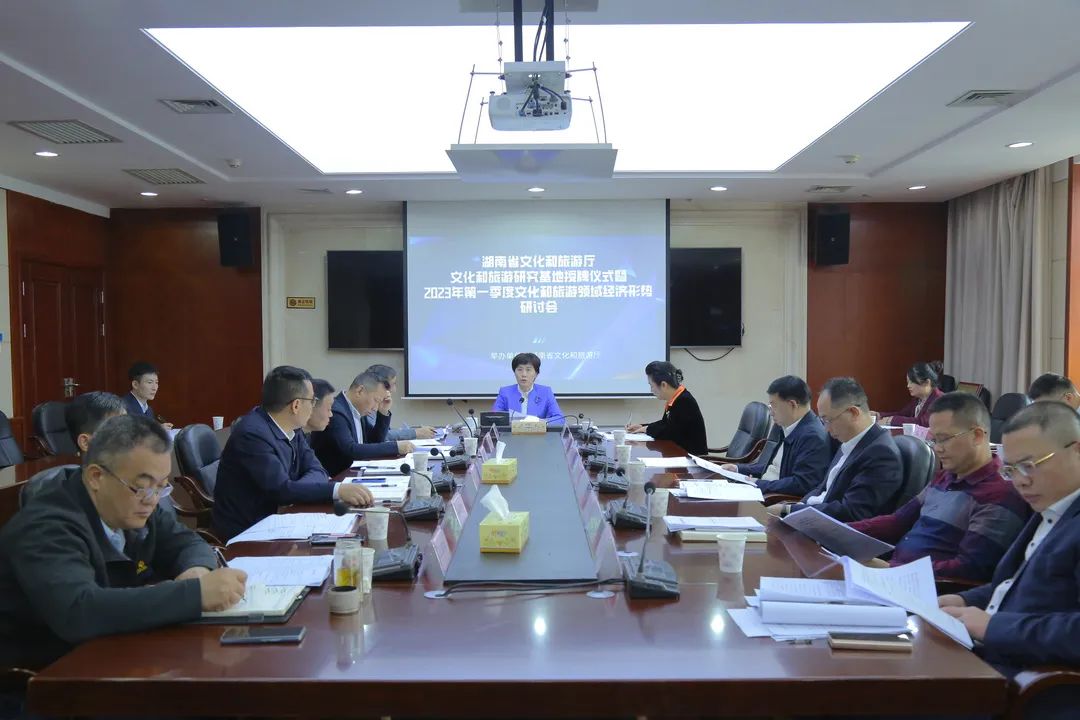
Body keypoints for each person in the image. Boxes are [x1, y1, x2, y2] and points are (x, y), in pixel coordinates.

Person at [0, 414, 247, 672]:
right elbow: (79, 611)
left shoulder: (135, 504)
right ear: (96, 477)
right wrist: (194, 595)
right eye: (142, 487)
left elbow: (186, 541)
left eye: (161, 487)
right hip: (45, 675)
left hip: (115, 650)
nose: (152, 499)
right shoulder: (45, 526)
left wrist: (196, 570)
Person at [939, 401, 1080, 720]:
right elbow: (1014, 586)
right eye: (1010, 470)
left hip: (1026, 688)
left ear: (1077, 451)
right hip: (985, 661)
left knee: (860, 701)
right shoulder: (1052, 508)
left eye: (1029, 465)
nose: (1020, 481)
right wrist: (963, 599)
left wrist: (993, 627)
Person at [850, 392, 1028, 582]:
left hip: (931, 589)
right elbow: (899, 521)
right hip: (895, 576)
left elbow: (970, 570)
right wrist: (840, 532)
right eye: (934, 440)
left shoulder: (998, 494)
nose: (937, 448)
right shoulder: (945, 477)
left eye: (944, 439)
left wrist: (891, 570)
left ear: (976, 435)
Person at [213, 366, 373, 541]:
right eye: (312, 401)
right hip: (248, 531)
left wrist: (295, 490)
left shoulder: (292, 428)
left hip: (280, 519)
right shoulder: (252, 435)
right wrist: (336, 490)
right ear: (296, 405)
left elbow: (317, 470)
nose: (313, 407)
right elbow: (282, 491)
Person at [771, 377, 903, 522]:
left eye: (828, 420)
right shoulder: (848, 440)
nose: (826, 429)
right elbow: (821, 489)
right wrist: (796, 507)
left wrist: (789, 510)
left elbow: (851, 512)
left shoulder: (880, 454)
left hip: (833, 529)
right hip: (814, 518)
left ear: (853, 413)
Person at [723, 375, 831, 497]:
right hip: (764, 490)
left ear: (792, 404)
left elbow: (802, 484)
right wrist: (738, 469)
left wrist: (758, 484)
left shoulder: (812, 437)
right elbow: (775, 468)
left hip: (772, 498)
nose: (771, 412)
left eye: (773, 406)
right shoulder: (788, 427)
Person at [20, 391, 126, 507]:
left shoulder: (131, 481)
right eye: (117, 431)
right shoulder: (60, 503)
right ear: (85, 443)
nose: (128, 438)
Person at [311, 371, 416, 477]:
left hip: (355, 475)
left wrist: (383, 412)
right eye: (376, 400)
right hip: (337, 477)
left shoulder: (357, 411)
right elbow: (351, 449)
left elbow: (374, 441)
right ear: (360, 391)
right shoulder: (337, 412)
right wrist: (395, 447)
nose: (375, 408)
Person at [627, 361, 707, 455]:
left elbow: (669, 433)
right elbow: (665, 424)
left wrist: (647, 429)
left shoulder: (684, 401)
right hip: (678, 454)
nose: (651, 390)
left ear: (664, 385)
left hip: (692, 458)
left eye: (651, 386)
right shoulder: (676, 398)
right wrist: (642, 426)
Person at [363, 364, 436, 440]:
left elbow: (382, 433)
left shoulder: (379, 405)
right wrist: (415, 433)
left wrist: (416, 431)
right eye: (393, 384)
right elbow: (379, 437)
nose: (394, 390)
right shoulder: (367, 407)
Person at [492, 352, 563, 420]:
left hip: (537, 428)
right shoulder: (505, 392)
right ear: (514, 372)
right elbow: (494, 418)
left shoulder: (545, 392)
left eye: (528, 370)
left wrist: (541, 422)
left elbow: (559, 419)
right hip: (512, 429)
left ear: (536, 374)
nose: (524, 374)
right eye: (520, 370)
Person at [879, 361, 944, 428]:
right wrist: (879, 415)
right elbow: (902, 414)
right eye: (908, 382)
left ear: (927, 382)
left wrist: (892, 420)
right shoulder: (918, 399)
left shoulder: (940, 400)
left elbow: (923, 423)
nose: (908, 386)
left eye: (912, 382)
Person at [122, 360, 172, 430]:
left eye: (156, 382)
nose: (154, 388)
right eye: (150, 382)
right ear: (135, 384)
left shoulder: (149, 410)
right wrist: (157, 430)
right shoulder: (122, 407)